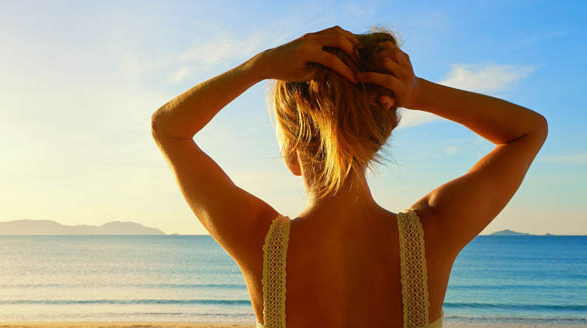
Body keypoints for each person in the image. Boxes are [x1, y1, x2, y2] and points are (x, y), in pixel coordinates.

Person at [150, 25, 548, 328]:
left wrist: (258, 67)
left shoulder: (259, 241)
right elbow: (528, 131)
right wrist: (418, 92)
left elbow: (168, 128)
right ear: (380, 135)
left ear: (291, 148)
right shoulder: (432, 234)